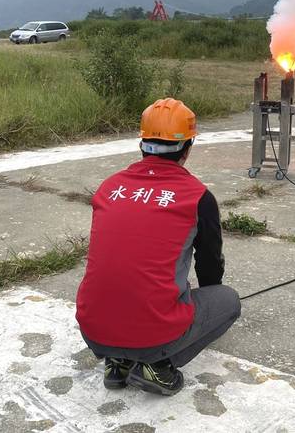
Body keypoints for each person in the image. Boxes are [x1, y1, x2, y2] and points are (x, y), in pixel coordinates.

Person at [76, 98, 240, 396]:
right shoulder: (197, 197)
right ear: (188, 149)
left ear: (142, 144)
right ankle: (157, 366)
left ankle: (117, 363)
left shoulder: (110, 187)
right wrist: (204, 299)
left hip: (93, 330)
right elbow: (209, 266)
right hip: (154, 334)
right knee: (228, 301)